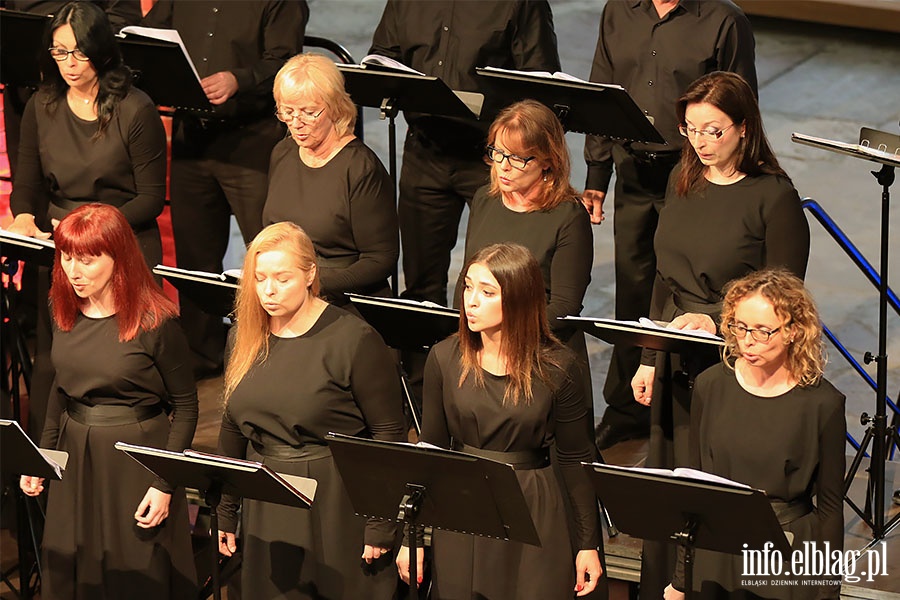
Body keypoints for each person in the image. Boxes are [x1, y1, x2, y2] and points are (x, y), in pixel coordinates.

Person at [632, 70, 810, 598]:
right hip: (677, 355)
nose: (702, 143)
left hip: (740, 363)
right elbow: (664, 281)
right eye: (692, 130)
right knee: (671, 486)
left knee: (714, 489)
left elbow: (785, 293)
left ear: (743, 128)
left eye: (714, 131)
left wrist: (717, 318)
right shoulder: (682, 181)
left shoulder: (773, 197)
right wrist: (649, 354)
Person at [583, 0, 757, 451]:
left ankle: (698, 410)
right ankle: (626, 408)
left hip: (693, 172)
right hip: (633, 173)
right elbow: (601, 93)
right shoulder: (619, 11)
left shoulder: (724, 20)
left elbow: (741, 106)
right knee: (634, 289)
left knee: (695, 289)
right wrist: (597, 175)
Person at [397, 243, 603, 599]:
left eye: (487, 292)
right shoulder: (445, 358)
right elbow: (430, 452)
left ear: (520, 299)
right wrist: (410, 538)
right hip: (465, 503)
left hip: (534, 507)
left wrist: (588, 544)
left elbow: (574, 458)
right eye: (468, 287)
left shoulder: (559, 366)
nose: (471, 301)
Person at [215, 222, 406, 600]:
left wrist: (381, 524)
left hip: (334, 498)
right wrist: (226, 508)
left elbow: (388, 435)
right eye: (260, 278)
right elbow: (232, 425)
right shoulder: (244, 334)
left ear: (310, 274)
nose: (268, 290)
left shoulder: (353, 339)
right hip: (266, 493)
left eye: (282, 278)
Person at [19, 203, 198, 599]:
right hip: (75, 450)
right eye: (66, 258)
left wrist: (164, 484)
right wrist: (42, 456)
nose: (73, 271)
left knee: (133, 571)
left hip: (135, 456)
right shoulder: (61, 307)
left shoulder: (156, 322)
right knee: (70, 565)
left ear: (118, 257)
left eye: (86, 260)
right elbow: (59, 392)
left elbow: (186, 408)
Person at [7, 0, 167, 442]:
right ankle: (47, 461)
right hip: (63, 246)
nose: (69, 64)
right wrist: (22, 216)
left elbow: (151, 198)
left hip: (122, 241)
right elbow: (28, 182)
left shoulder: (135, 108)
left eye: (78, 52)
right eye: (59, 53)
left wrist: (93, 229)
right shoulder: (43, 104)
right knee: (54, 357)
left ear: (101, 50)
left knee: (121, 360)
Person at [141, 0, 308, 378]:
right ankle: (202, 357)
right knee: (195, 261)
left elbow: (285, 62)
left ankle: (284, 360)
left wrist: (239, 79)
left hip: (254, 144)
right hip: (193, 142)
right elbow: (149, 36)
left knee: (273, 259)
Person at [664, 268, 846, 599]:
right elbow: (694, 490)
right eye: (740, 327)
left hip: (783, 556)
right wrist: (680, 578)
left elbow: (830, 509)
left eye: (763, 331)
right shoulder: (710, 386)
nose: (747, 340)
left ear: (793, 331)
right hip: (717, 552)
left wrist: (827, 592)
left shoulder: (823, 404)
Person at [369, 0, 561, 306]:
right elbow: (383, 57)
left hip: (493, 160)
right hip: (425, 151)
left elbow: (538, 83)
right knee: (420, 287)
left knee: (498, 282)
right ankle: (428, 354)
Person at [460, 99, 595, 429]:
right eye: (497, 153)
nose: (503, 166)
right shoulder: (484, 199)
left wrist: (504, 334)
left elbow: (564, 306)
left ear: (547, 161)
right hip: (483, 350)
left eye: (518, 158)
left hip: (541, 357)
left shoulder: (568, 215)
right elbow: (469, 278)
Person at [263, 53, 398, 309]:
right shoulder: (283, 152)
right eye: (287, 112)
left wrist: (312, 284)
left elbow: (381, 259)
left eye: (309, 112)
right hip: (287, 293)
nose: (296, 124)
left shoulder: (361, 168)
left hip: (343, 301)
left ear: (336, 107)